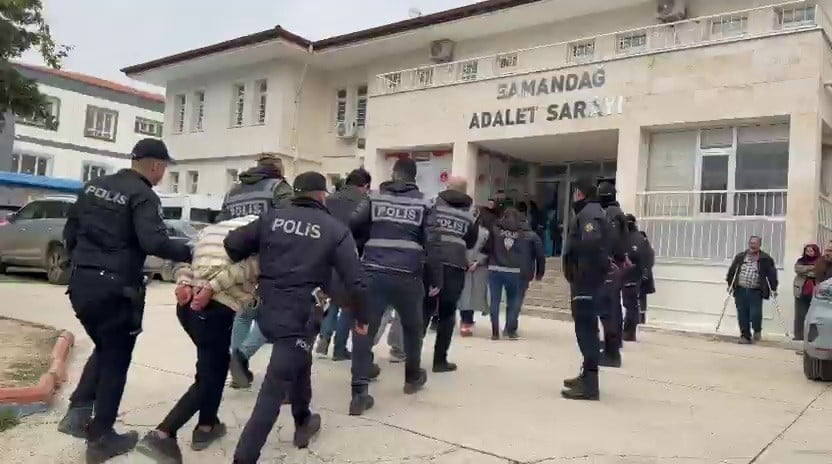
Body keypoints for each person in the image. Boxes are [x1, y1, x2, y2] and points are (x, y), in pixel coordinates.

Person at [56, 138, 192, 463]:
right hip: (116, 288)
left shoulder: (93, 186)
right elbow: (153, 241)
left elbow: (70, 232)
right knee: (117, 358)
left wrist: (83, 263)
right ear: (157, 167)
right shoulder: (143, 194)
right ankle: (102, 437)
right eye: (164, 169)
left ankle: (77, 412)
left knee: (105, 345)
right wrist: (192, 250)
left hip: (81, 283)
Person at [222, 172, 368, 464]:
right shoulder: (334, 229)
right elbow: (356, 280)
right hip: (300, 314)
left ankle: (303, 420)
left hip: (267, 311)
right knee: (274, 389)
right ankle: (244, 457)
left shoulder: (273, 218)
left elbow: (233, 244)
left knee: (300, 359)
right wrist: (361, 316)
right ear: (322, 195)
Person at [136, 216, 260, 462]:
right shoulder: (259, 232)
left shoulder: (210, 231)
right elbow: (252, 267)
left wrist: (184, 282)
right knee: (210, 374)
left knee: (212, 365)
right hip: (214, 307)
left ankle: (206, 426)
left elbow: (187, 262)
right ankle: (163, 434)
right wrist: (212, 287)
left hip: (188, 308)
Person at [348, 158, 441, 416]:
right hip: (408, 276)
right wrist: (435, 280)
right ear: (414, 178)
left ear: (393, 174)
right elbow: (433, 245)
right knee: (412, 329)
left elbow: (352, 225)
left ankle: (359, 393)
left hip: (373, 272)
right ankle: (412, 378)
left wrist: (367, 245)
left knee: (364, 330)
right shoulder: (425, 203)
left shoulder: (374, 198)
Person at [224, 153, 293, 389]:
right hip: (268, 259)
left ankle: (237, 370)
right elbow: (288, 222)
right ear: (276, 169)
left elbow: (222, 223)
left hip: (237, 258)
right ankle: (241, 357)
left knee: (244, 313)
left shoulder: (234, 191)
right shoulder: (278, 188)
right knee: (273, 316)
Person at [561, 176, 611, 401]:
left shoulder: (589, 213)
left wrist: (580, 270)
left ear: (579, 194)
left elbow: (591, 242)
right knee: (586, 329)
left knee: (586, 331)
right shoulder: (592, 211)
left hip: (586, 281)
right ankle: (586, 376)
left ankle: (590, 385)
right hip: (586, 280)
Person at [315, 168, 372, 361]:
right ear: (364, 186)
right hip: (352, 255)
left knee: (332, 300)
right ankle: (339, 349)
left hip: (327, 254)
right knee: (347, 305)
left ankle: (323, 340)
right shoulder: (365, 202)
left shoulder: (329, 199)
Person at [422, 176, 478, 372]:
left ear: (447, 187)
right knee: (447, 313)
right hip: (455, 265)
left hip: (430, 262)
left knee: (424, 310)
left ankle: (412, 356)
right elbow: (471, 242)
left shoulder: (431, 205)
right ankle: (440, 361)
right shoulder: (471, 214)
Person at [484, 207, 530, 340]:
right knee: (513, 300)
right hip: (513, 270)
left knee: (495, 301)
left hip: (495, 269)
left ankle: (494, 332)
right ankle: (510, 330)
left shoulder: (495, 229)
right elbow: (524, 252)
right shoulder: (521, 233)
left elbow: (487, 247)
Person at [597, 181, 627, 368]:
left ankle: (612, 353)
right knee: (611, 308)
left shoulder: (612, 214)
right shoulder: (616, 213)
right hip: (614, 265)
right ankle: (611, 347)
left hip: (611, 266)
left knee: (610, 310)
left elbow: (612, 240)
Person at [726, 236, 779, 344]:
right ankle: (745, 336)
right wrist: (730, 284)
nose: (752, 245)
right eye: (751, 243)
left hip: (756, 290)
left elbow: (772, 275)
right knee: (742, 313)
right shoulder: (740, 256)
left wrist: (773, 289)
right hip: (740, 289)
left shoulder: (766, 259)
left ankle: (757, 329)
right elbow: (732, 271)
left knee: (755, 314)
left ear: (759, 245)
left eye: (755, 243)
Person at [458, 209, 490, 336]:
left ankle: (465, 322)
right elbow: (488, 249)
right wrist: (477, 262)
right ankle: (468, 322)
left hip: (463, 265)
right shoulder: (486, 232)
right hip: (478, 268)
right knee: (473, 296)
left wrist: (465, 261)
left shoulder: (461, 230)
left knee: (463, 295)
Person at [621, 214, 649, 342]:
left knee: (630, 305)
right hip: (636, 276)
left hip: (629, 275)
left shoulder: (629, 238)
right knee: (632, 305)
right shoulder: (641, 237)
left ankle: (628, 332)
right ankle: (629, 332)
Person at [518, 215, 546, 312]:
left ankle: (511, 320)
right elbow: (540, 256)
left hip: (510, 269)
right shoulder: (534, 236)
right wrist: (540, 273)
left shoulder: (511, 234)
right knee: (519, 296)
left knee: (511, 296)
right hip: (526, 271)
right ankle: (512, 320)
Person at [793, 244, 820, 341]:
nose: (809, 253)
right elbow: (798, 269)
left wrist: (807, 270)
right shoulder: (801, 261)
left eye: (811, 251)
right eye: (807, 251)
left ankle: (812, 337)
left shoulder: (820, 261)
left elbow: (818, 272)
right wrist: (810, 268)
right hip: (801, 291)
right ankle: (798, 335)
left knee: (813, 316)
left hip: (814, 292)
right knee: (800, 315)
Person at [638, 230, 655, 326]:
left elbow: (648, 263)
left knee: (640, 296)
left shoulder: (644, 249)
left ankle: (641, 318)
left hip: (642, 275)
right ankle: (641, 318)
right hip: (646, 275)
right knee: (642, 297)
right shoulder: (649, 249)